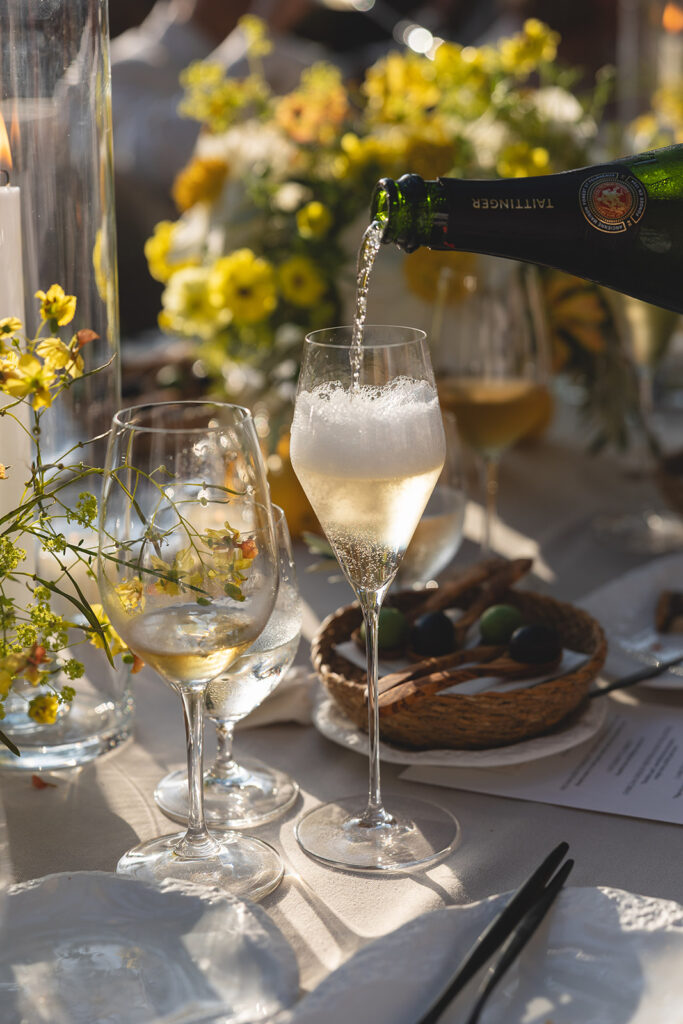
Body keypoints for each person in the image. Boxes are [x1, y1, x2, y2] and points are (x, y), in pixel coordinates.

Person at [110, 0, 324, 336]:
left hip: (296, 309)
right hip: (165, 327)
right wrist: (253, 42)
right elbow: (161, 154)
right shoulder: (117, 67)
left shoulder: (287, 53)